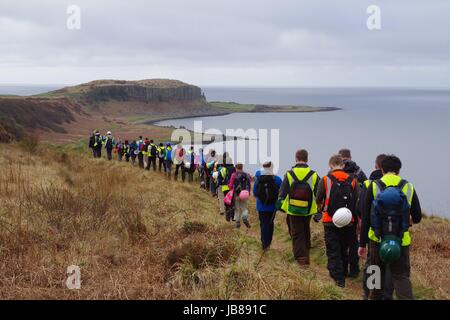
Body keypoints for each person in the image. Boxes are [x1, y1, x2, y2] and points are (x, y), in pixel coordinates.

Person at [359, 155, 422, 300]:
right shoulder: (408, 187)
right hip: (401, 241)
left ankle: (373, 297)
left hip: (376, 238)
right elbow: (417, 217)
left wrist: (362, 244)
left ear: (382, 169)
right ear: (399, 170)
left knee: (375, 271)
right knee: (401, 277)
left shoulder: (374, 186)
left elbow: (366, 218)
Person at [315, 155, 360, 287]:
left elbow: (318, 198)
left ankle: (338, 279)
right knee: (343, 247)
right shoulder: (353, 180)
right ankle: (344, 272)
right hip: (348, 220)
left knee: (333, 249)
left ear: (330, 165)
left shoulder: (325, 179)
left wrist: (321, 208)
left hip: (330, 220)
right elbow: (357, 200)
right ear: (343, 165)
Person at [359, 154, 394, 300]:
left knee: (372, 266)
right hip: (396, 236)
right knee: (390, 267)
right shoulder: (403, 185)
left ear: (376, 166)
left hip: (375, 234)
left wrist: (362, 242)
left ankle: (369, 294)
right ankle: (386, 296)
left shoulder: (369, 184)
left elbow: (362, 211)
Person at [277, 149, 320, 267]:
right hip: (308, 209)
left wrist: (279, 205)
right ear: (307, 159)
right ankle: (306, 252)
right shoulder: (314, 175)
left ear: (296, 159)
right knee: (305, 229)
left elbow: (282, 192)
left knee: (297, 233)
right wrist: (319, 211)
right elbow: (319, 194)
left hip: (293, 209)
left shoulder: (289, 174)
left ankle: (302, 259)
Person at [338, 148, 366, 278]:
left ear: (340, 157)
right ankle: (354, 271)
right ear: (351, 156)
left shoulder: (336, 172)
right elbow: (366, 191)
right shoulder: (360, 172)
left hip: (338, 213)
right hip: (355, 213)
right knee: (353, 241)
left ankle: (342, 270)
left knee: (340, 241)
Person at [253, 161, 282, 250]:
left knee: (263, 224)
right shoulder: (277, 179)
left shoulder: (258, 178)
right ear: (272, 167)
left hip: (261, 206)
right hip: (272, 207)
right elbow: (281, 193)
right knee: (270, 224)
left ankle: (264, 243)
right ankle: (268, 242)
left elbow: (254, 192)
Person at [228, 163, 251, 229]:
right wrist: (248, 192)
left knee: (237, 209)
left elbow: (231, 185)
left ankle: (238, 222)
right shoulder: (246, 175)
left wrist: (229, 187)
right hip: (245, 194)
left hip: (237, 194)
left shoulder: (234, 175)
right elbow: (249, 185)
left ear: (236, 167)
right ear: (242, 167)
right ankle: (244, 217)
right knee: (244, 208)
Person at [217, 153, 235, 220]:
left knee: (227, 202)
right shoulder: (234, 169)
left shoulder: (223, 169)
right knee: (232, 202)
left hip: (225, 187)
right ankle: (233, 217)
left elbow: (219, 179)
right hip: (232, 187)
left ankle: (227, 217)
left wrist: (219, 184)